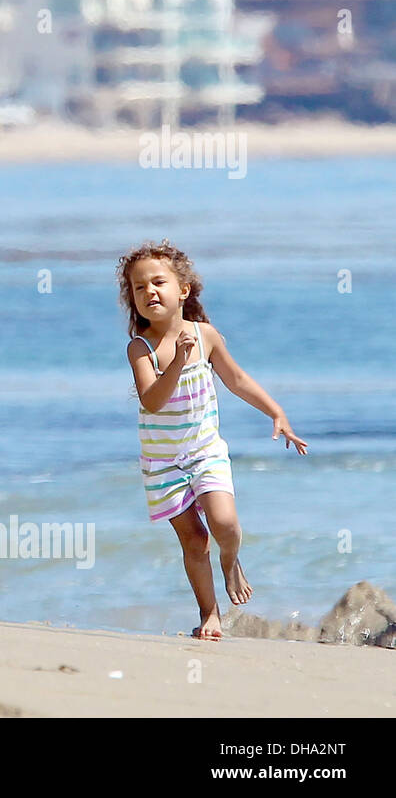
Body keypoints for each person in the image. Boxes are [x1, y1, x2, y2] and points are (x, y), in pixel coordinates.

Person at [117, 240, 307, 640]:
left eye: (158, 282)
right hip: (162, 461)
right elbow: (152, 402)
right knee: (194, 540)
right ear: (132, 300)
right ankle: (210, 613)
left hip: (204, 450)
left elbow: (237, 380)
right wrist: (180, 363)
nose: (149, 292)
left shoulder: (205, 336)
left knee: (224, 523)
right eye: (139, 288)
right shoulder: (141, 348)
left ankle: (231, 560)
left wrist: (276, 411)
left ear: (182, 289)